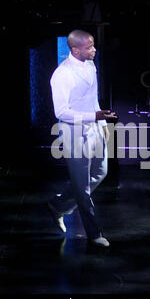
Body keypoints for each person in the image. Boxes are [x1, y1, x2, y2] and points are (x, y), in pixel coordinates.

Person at [48, 29, 117, 248]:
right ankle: (94, 233)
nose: (94, 50)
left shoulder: (90, 65)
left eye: (94, 45)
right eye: (89, 47)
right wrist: (93, 117)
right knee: (82, 188)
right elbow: (61, 112)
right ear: (75, 50)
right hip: (74, 134)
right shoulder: (62, 75)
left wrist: (102, 123)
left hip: (95, 128)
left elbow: (92, 97)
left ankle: (58, 205)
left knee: (101, 172)